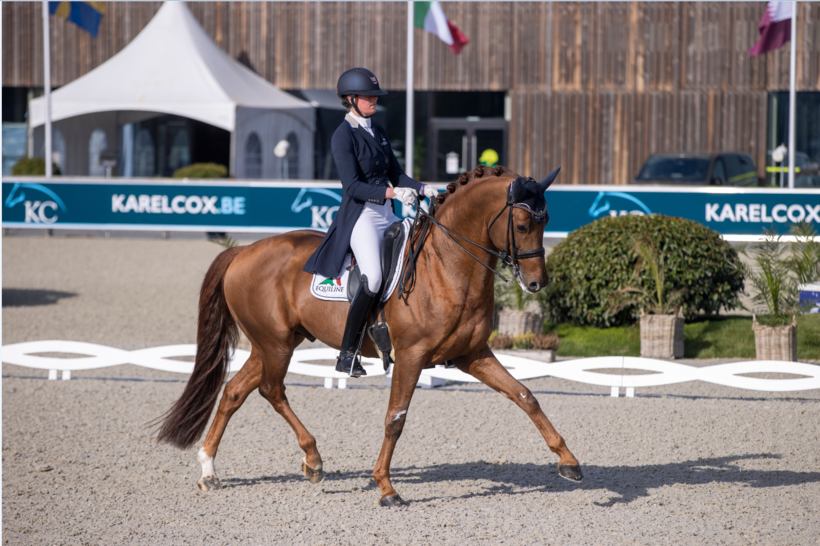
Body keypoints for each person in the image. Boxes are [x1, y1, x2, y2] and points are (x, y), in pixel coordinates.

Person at [303, 67, 437, 377]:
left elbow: (397, 174)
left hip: (388, 213)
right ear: (351, 99)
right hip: (361, 216)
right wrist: (393, 192)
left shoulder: (378, 131)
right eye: (368, 96)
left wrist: (421, 188)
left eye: (375, 95)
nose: (374, 100)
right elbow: (352, 186)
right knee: (374, 277)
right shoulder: (342, 136)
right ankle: (348, 353)